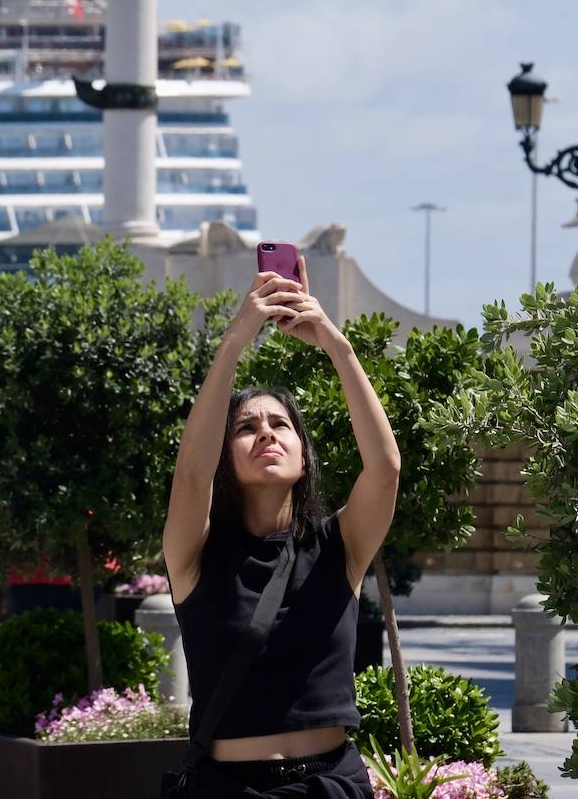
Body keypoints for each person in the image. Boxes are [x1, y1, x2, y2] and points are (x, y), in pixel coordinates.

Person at [163, 260, 399, 798]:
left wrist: (336, 344)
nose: (266, 433)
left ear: (302, 452)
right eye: (246, 428)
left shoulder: (338, 545)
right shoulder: (195, 554)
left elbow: (384, 469)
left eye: (280, 424)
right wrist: (234, 342)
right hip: (232, 789)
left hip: (335, 784)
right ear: (226, 458)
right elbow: (191, 475)